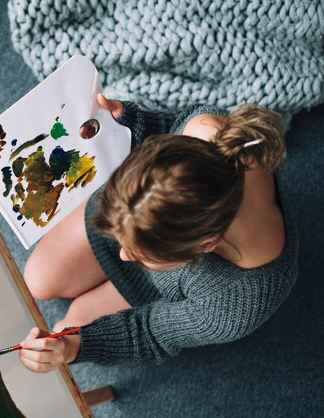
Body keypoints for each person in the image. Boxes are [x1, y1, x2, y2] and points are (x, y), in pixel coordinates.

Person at [17, 94, 298, 373]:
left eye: (140, 255)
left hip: (156, 282)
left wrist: (74, 347)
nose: (123, 254)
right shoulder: (203, 129)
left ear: (206, 245)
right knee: (37, 280)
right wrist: (133, 122)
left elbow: (150, 332)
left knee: (64, 332)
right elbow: (166, 127)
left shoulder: (234, 304)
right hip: (132, 216)